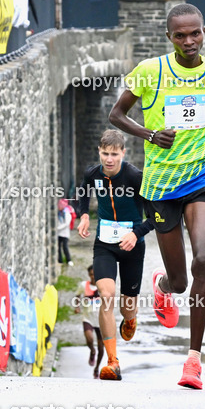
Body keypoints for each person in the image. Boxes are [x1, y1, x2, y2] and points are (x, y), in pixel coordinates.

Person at [109, 3, 205, 389]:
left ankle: (193, 361)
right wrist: (149, 135)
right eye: (181, 35)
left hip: (201, 177)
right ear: (169, 37)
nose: (190, 41)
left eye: (196, 33)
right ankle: (163, 287)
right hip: (160, 186)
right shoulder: (151, 72)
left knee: (202, 260)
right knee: (180, 281)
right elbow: (116, 116)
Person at [73, 129, 156, 381]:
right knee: (106, 297)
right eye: (105, 154)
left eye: (114, 155)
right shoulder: (93, 173)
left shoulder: (134, 177)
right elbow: (82, 192)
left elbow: (156, 216)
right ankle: (112, 362)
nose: (109, 159)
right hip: (105, 245)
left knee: (127, 307)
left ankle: (130, 319)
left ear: (123, 153)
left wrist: (136, 233)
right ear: (99, 152)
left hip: (132, 246)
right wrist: (84, 214)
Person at [76, 265, 104, 378]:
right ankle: (92, 350)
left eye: (95, 274)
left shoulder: (103, 286)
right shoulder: (84, 285)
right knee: (89, 339)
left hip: (101, 319)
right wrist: (77, 306)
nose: (93, 276)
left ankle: (97, 368)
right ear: (89, 275)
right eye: (91, 274)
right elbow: (77, 296)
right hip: (87, 318)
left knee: (101, 347)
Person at [57, 198, 73, 265]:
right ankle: (60, 260)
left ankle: (68, 260)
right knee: (58, 247)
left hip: (65, 233)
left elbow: (66, 223)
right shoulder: (59, 213)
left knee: (65, 246)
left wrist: (58, 228)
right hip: (59, 233)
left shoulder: (66, 213)